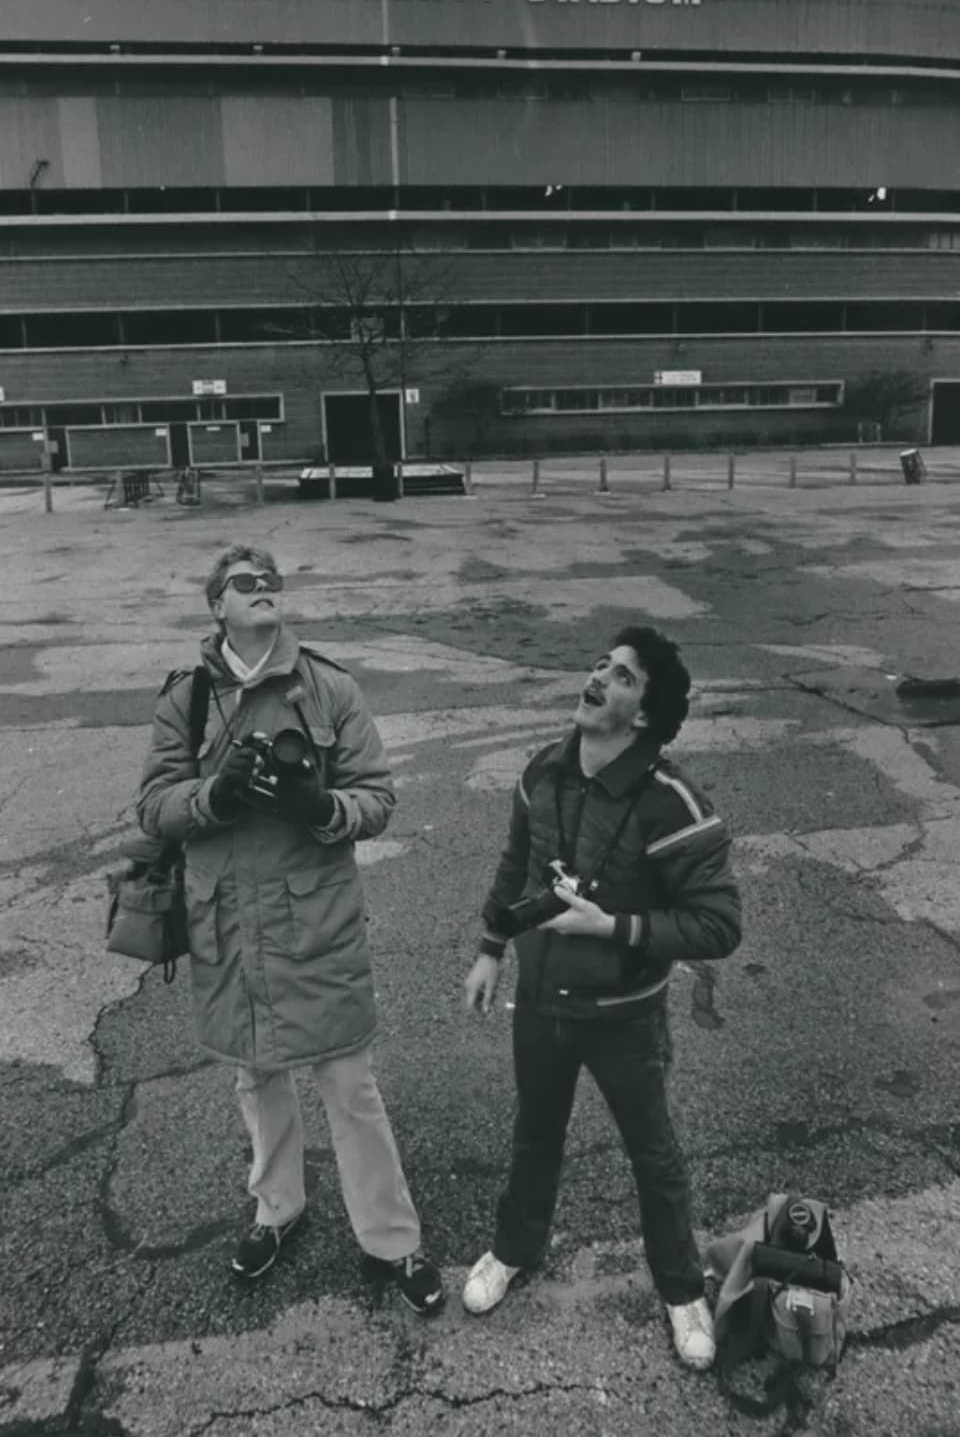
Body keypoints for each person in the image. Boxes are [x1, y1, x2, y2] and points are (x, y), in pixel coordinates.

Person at [136, 543, 444, 1316]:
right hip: (229, 923)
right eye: (245, 582)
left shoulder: (327, 688)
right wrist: (214, 796)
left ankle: (392, 1240)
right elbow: (151, 807)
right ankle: (277, 1210)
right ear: (218, 606)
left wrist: (324, 809)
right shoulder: (189, 698)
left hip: (314, 918)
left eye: (273, 581)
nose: (264, 588)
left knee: (349, 1083)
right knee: (258, 1076)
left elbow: (376, 796)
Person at [462, 626, 741, 1370]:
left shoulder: (671, 801)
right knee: (535, 1136)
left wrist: (613, 925)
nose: (598, 678)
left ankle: (682, 1289)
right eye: (599, 665)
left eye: (621, 676)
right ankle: (513, 1249)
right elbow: (517, 864)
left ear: (642, 715)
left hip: (625, 1020)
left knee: (655, 1156)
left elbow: (718, 924)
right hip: (542, 1002)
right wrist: (491, 948)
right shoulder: (543, 770)